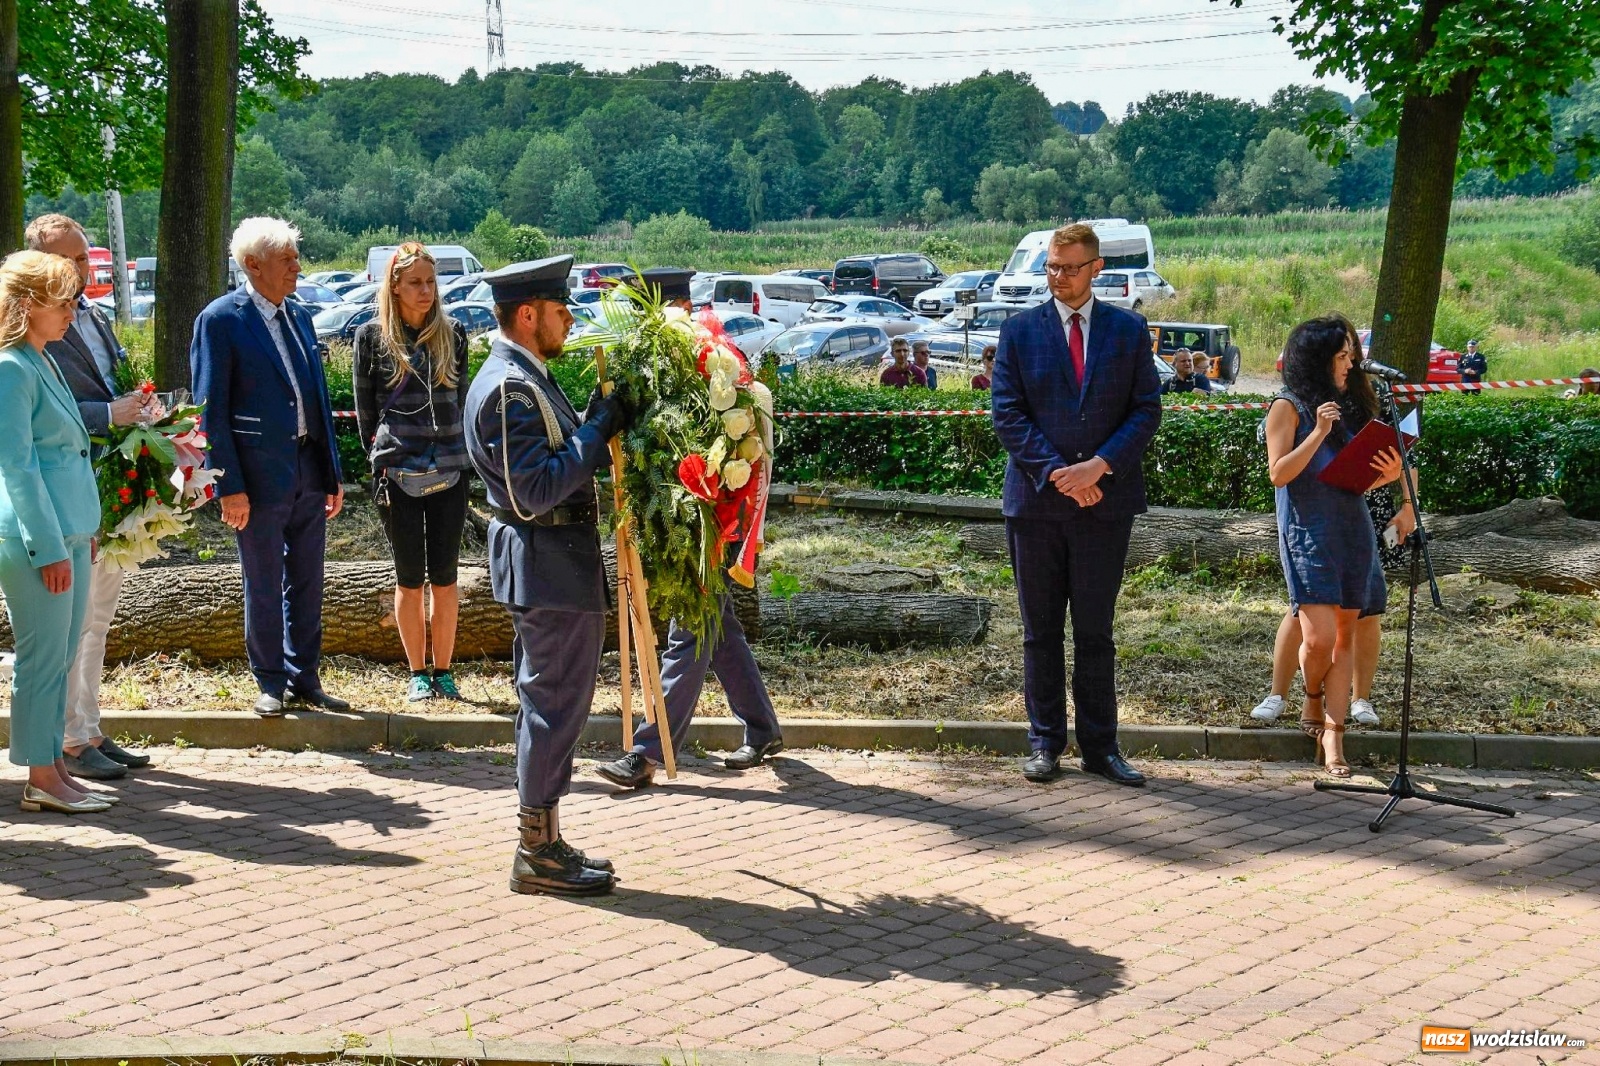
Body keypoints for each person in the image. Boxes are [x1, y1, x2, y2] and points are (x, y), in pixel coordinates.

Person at [463, 254, 630, 896]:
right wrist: (597, 427)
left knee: (554, 704)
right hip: (547, 563)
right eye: (561, 311)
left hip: (553, 565)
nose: (570, 321)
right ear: (528, 314)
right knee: (552, 707)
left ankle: (547, 840)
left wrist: (590, 420)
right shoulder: (509, 387)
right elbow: (535, 489)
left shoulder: (524, 375)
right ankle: (536, 851)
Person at [596, 268, 783, 790]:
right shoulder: (650, 363)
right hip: (678, 514)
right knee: (717, 627)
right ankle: (763, 728)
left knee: (692, 629)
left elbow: (741, 438)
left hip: (714, 516)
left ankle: (649, 750)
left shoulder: (717, 361)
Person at [991, 222, 1163, 788]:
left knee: (1096, 632)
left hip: (1105, 506)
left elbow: (1145, 411)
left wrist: (1101, 467)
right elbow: (1008, 414)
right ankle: (1044, 743)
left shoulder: (1129, 331)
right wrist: (1060, 474)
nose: (1057, 276)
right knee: (1040, 631)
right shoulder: (1019, 331)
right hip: (1037, 505)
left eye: (1068, 267)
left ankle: (1100, 747)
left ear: (1095, 270)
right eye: (1051, 267)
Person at [191, 218, 349, 717]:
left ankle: (306, 676)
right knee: (262, 580)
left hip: (306, 467)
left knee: (307, 579)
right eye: (287, 259)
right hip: (255, 480)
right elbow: (209, 409)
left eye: (295, 258)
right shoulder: (221, 319)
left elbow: (318, 401)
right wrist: (227, 486)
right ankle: (270, 681)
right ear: (253, 265)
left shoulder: (300, 317)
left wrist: (331, 472)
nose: (297, 267)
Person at [25, 214, 155, 779]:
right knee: (75, 623)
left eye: (83, 257)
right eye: (70, 260)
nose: (83, 268)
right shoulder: (27, 337)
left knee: (99, 616)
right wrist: (108, 414)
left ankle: (90, 727)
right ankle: (70, 741)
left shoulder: (95, 318)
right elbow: (35, 417)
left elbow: (114, 383)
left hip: (111, 483)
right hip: (67, 491)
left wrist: (143, 409)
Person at [1264, 314, 1403, 777]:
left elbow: (1352, 481)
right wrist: (1319, 434)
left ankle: (1333, 735)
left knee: (1344, 636)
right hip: (1307, 533)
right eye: (1342, 356)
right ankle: (1311, 696)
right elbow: (1279, 474)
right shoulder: (1288, 407)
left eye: (1351, 356)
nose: (1350, 364)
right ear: (1318, 359)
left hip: (1352, 530)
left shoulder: (1350, 404)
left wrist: (1387, 475)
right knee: (1319, 638)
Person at [0, 251, 112, 813]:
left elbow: (66, 456)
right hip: (34, 540)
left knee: (63, 655)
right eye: (61, 301)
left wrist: (83, 529)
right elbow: (17, 466)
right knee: (43, 658)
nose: (72, 311)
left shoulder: (41, 359)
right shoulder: (9, 367)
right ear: (26, 305)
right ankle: (41, 777)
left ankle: (55, 769)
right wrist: (48, 544)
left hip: (70, 531)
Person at [354, 243, 472, 702]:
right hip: (397, 471)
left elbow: (460, 399)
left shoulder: (454, 334)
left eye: (431, 282)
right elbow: (365, 413)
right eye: (416, 283)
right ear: (395, 286)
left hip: (450, 468)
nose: (426, 291)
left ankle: (444, 669)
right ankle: (417, 671)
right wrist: (381, 456)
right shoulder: (372, 336)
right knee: (409, 577)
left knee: (445, 576)